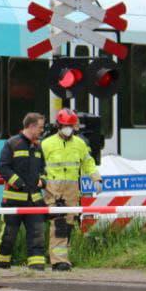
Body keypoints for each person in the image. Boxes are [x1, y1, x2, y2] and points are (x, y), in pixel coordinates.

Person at [40, 108, 103, 271]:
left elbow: (88, 162)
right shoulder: (47, 144)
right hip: (53, 189)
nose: (68, 129)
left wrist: (96, 178)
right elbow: (39, 165)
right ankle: (58, 261)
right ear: (59, 125)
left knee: (68, 225)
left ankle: (63, 258)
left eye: (70, 126)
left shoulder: (80, 144)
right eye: (65, 125)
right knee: (59, 223)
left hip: (72, 190)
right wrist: (40, 182)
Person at [0, 112, 48, 271]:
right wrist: (18, 183)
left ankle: (37, 267)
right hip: (13, 201)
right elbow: (2, 167)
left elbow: (44, 170)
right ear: (31, 126)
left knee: (37, 235)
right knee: (9, 235)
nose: (42, 131)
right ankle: (2, 265)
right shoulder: (12, 143)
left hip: (34, 201)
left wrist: (43, 180)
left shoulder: (38, 147)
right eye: (40, 127)